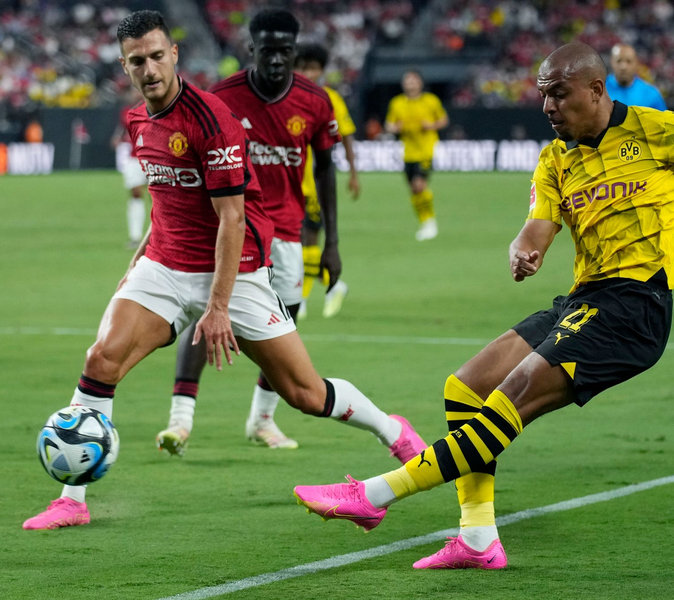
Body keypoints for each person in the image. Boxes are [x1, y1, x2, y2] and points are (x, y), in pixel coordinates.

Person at [294, 42, 674, 569]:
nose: (547, 107)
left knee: (512, 394)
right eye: (543, 96)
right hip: (585, 298)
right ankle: (478, 538)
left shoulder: (659, 130)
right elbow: (536, 229)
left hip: (637, 304)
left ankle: (373, 495)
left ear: (596, 90)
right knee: (466, 386)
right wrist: (524, 250)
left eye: (558, 95)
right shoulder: (555, 158)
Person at [23, 10, 427, 531]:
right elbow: (164, 198)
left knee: (304, 393)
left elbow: (233, 219)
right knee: (101, 359)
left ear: (174, 55)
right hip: (164, 266)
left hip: (236, 271)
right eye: (136, 61)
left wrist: (216, 307)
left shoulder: (212, 121)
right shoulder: (138, 120)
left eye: (156, 56)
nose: (148, 69)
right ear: (124, 67)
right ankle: (71, 501)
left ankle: (393, 432)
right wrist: (136, 262)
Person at [154, 9, 426, 456]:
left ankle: (262, 419)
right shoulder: (221, 97)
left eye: (285, 51)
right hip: (230, 230)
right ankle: (179, 421)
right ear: (252, 49)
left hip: (285, 234)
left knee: (285, 324)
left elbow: (325, 170)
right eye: (268, 50)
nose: (277, 59)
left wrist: (332, 243)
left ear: (295, 52)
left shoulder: (315, 101)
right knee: (207, 313)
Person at [294, 42, 359, 320]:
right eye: (303, 68)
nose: (309, 73)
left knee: (307, 238)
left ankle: (301, 298)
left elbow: (346, 134)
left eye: (314, 68)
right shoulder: (286, 97)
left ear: (321, 70)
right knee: (291, 243)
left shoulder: (330, 98)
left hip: (314, 183)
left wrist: (353, 173)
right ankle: (332, 285)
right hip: (287, 181)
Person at [385, 70, 448, 241]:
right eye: (407, 81)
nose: (410, 84)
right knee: (413, 189)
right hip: (408, 153)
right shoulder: (397, 103)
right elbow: (389, 124)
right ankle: (425, 221)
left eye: (413, 81)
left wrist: (431, 125)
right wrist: (395, 128)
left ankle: (430, 222)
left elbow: (443, 120)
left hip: (425, 150)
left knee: (419, 185)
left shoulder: (430, 100)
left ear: (420, 83)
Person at [110, 95, 149, 248]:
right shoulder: (127, 111)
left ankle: (159, 236)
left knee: (158, 197)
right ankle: (135, 236)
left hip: (154, 157)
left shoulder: (158, 106)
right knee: (136, 194)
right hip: (135, 158)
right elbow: (123, 127)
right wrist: (117, 138)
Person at [606, 44, 666, 110]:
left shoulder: (651, 94)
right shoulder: (601, 90)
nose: (623, 67)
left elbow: (663, 116)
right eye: (619, 61)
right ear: (612, 62)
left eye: (628, 61)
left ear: (636, 63)